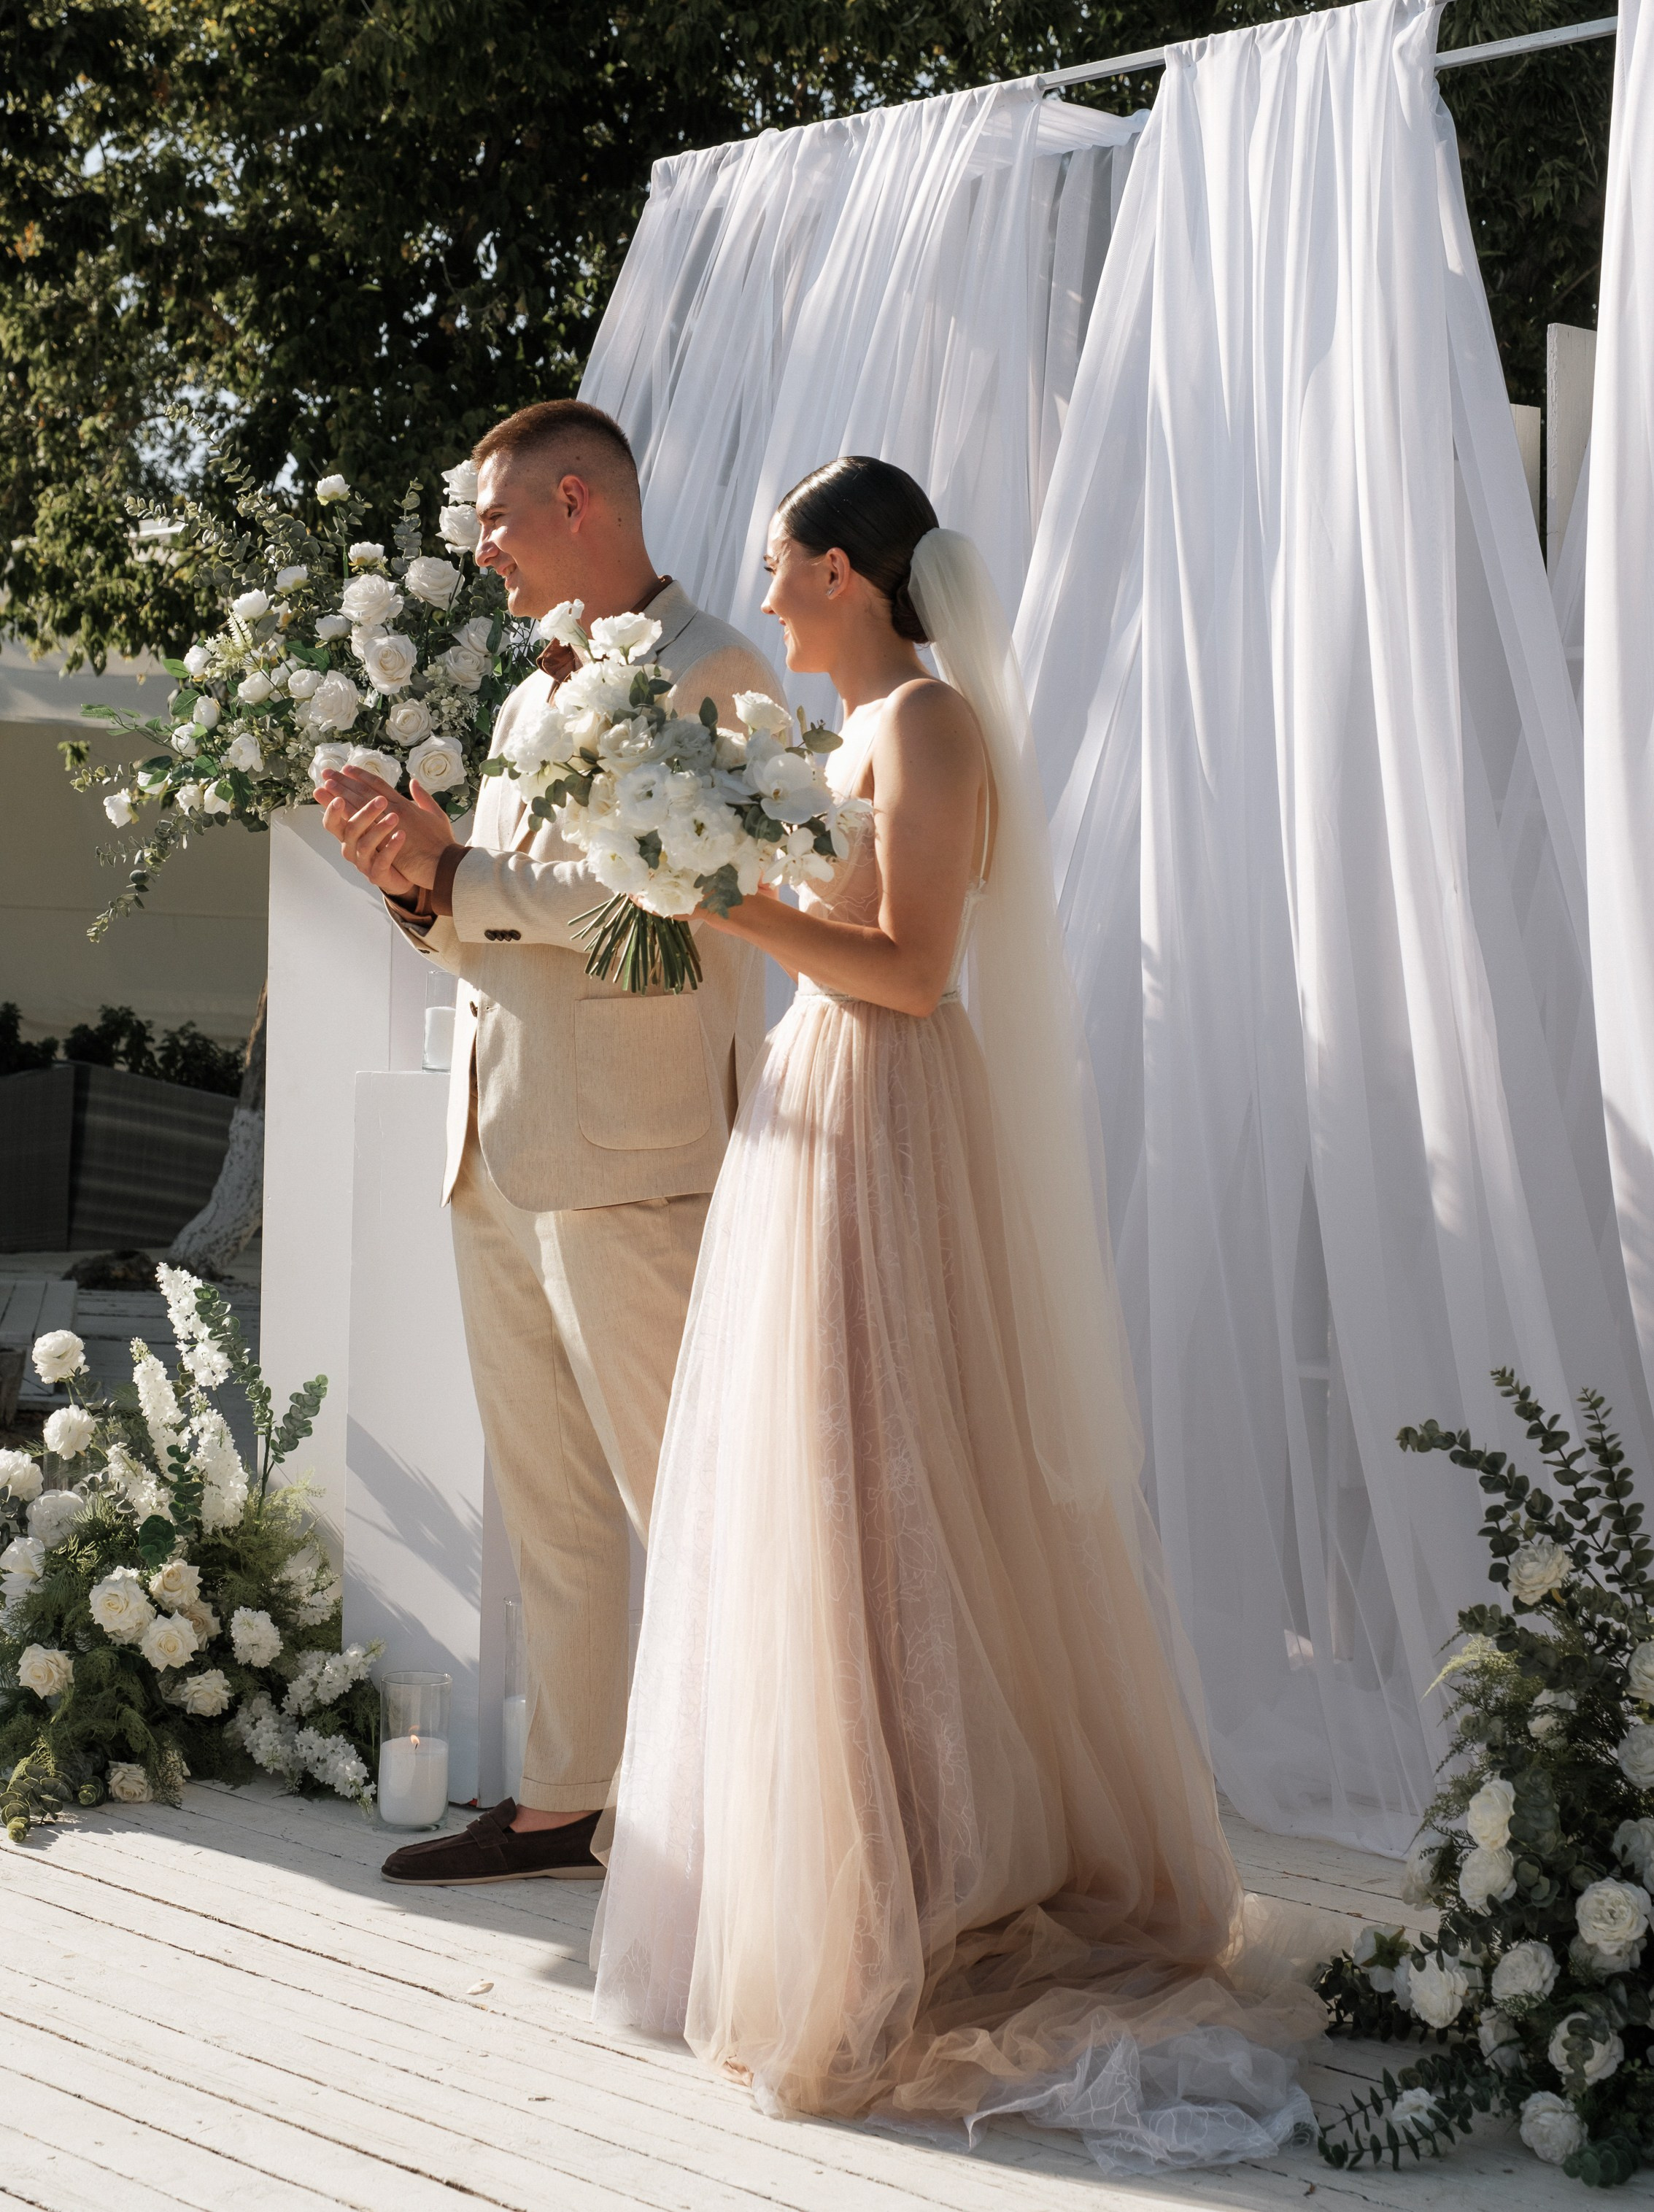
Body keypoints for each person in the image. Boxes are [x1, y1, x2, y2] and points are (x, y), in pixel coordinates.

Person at [592, 455, 1329, 2173]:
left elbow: (915, 971)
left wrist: (723, 901)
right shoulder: (841, 727)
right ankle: (872, 1859)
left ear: (845, 571)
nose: (761, 584)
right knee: (827, 1484)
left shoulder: (924, 723)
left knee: (897, 1469)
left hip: (891, 1109)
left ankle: (933, 1876)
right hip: (822, 1101)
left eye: (779, 556)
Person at [317, 398, 784, 1887]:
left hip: (639, 1151)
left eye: (497, 521)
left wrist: (461, 869)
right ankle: (568, 1797)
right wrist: (414, 882)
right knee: (554, 1505)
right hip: (498, 1140)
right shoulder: (529, 701)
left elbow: (669, 908)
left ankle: (760, 1822)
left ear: (578, 502)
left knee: (687, 1500)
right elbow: (506, 922)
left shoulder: (717, 670)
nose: (483, 553)